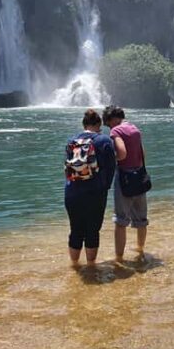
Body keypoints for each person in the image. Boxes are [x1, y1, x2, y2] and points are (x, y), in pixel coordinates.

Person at [63, 109, 115, 267]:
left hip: (72, 192)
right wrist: (105, 187)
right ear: (98, 125)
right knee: (92, 231)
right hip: (95, 193)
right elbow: (111, 168)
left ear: (84, 124)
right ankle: (91, 266)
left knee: (76, 229)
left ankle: (74, 266)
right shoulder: (104, 141)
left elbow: (68, 167)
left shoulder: (71, 140)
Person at [103, 105, 148, 263]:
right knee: (141, 218)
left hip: (125, 179)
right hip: (139, 176)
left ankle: (119, 258)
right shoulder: (134, 128)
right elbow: (143, 154)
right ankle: (140, 249)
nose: (109, 127)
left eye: (108, 124)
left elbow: (121, 153)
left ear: (111, 120)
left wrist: (110, 159)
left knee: (121, 221)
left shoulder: (116, 131)